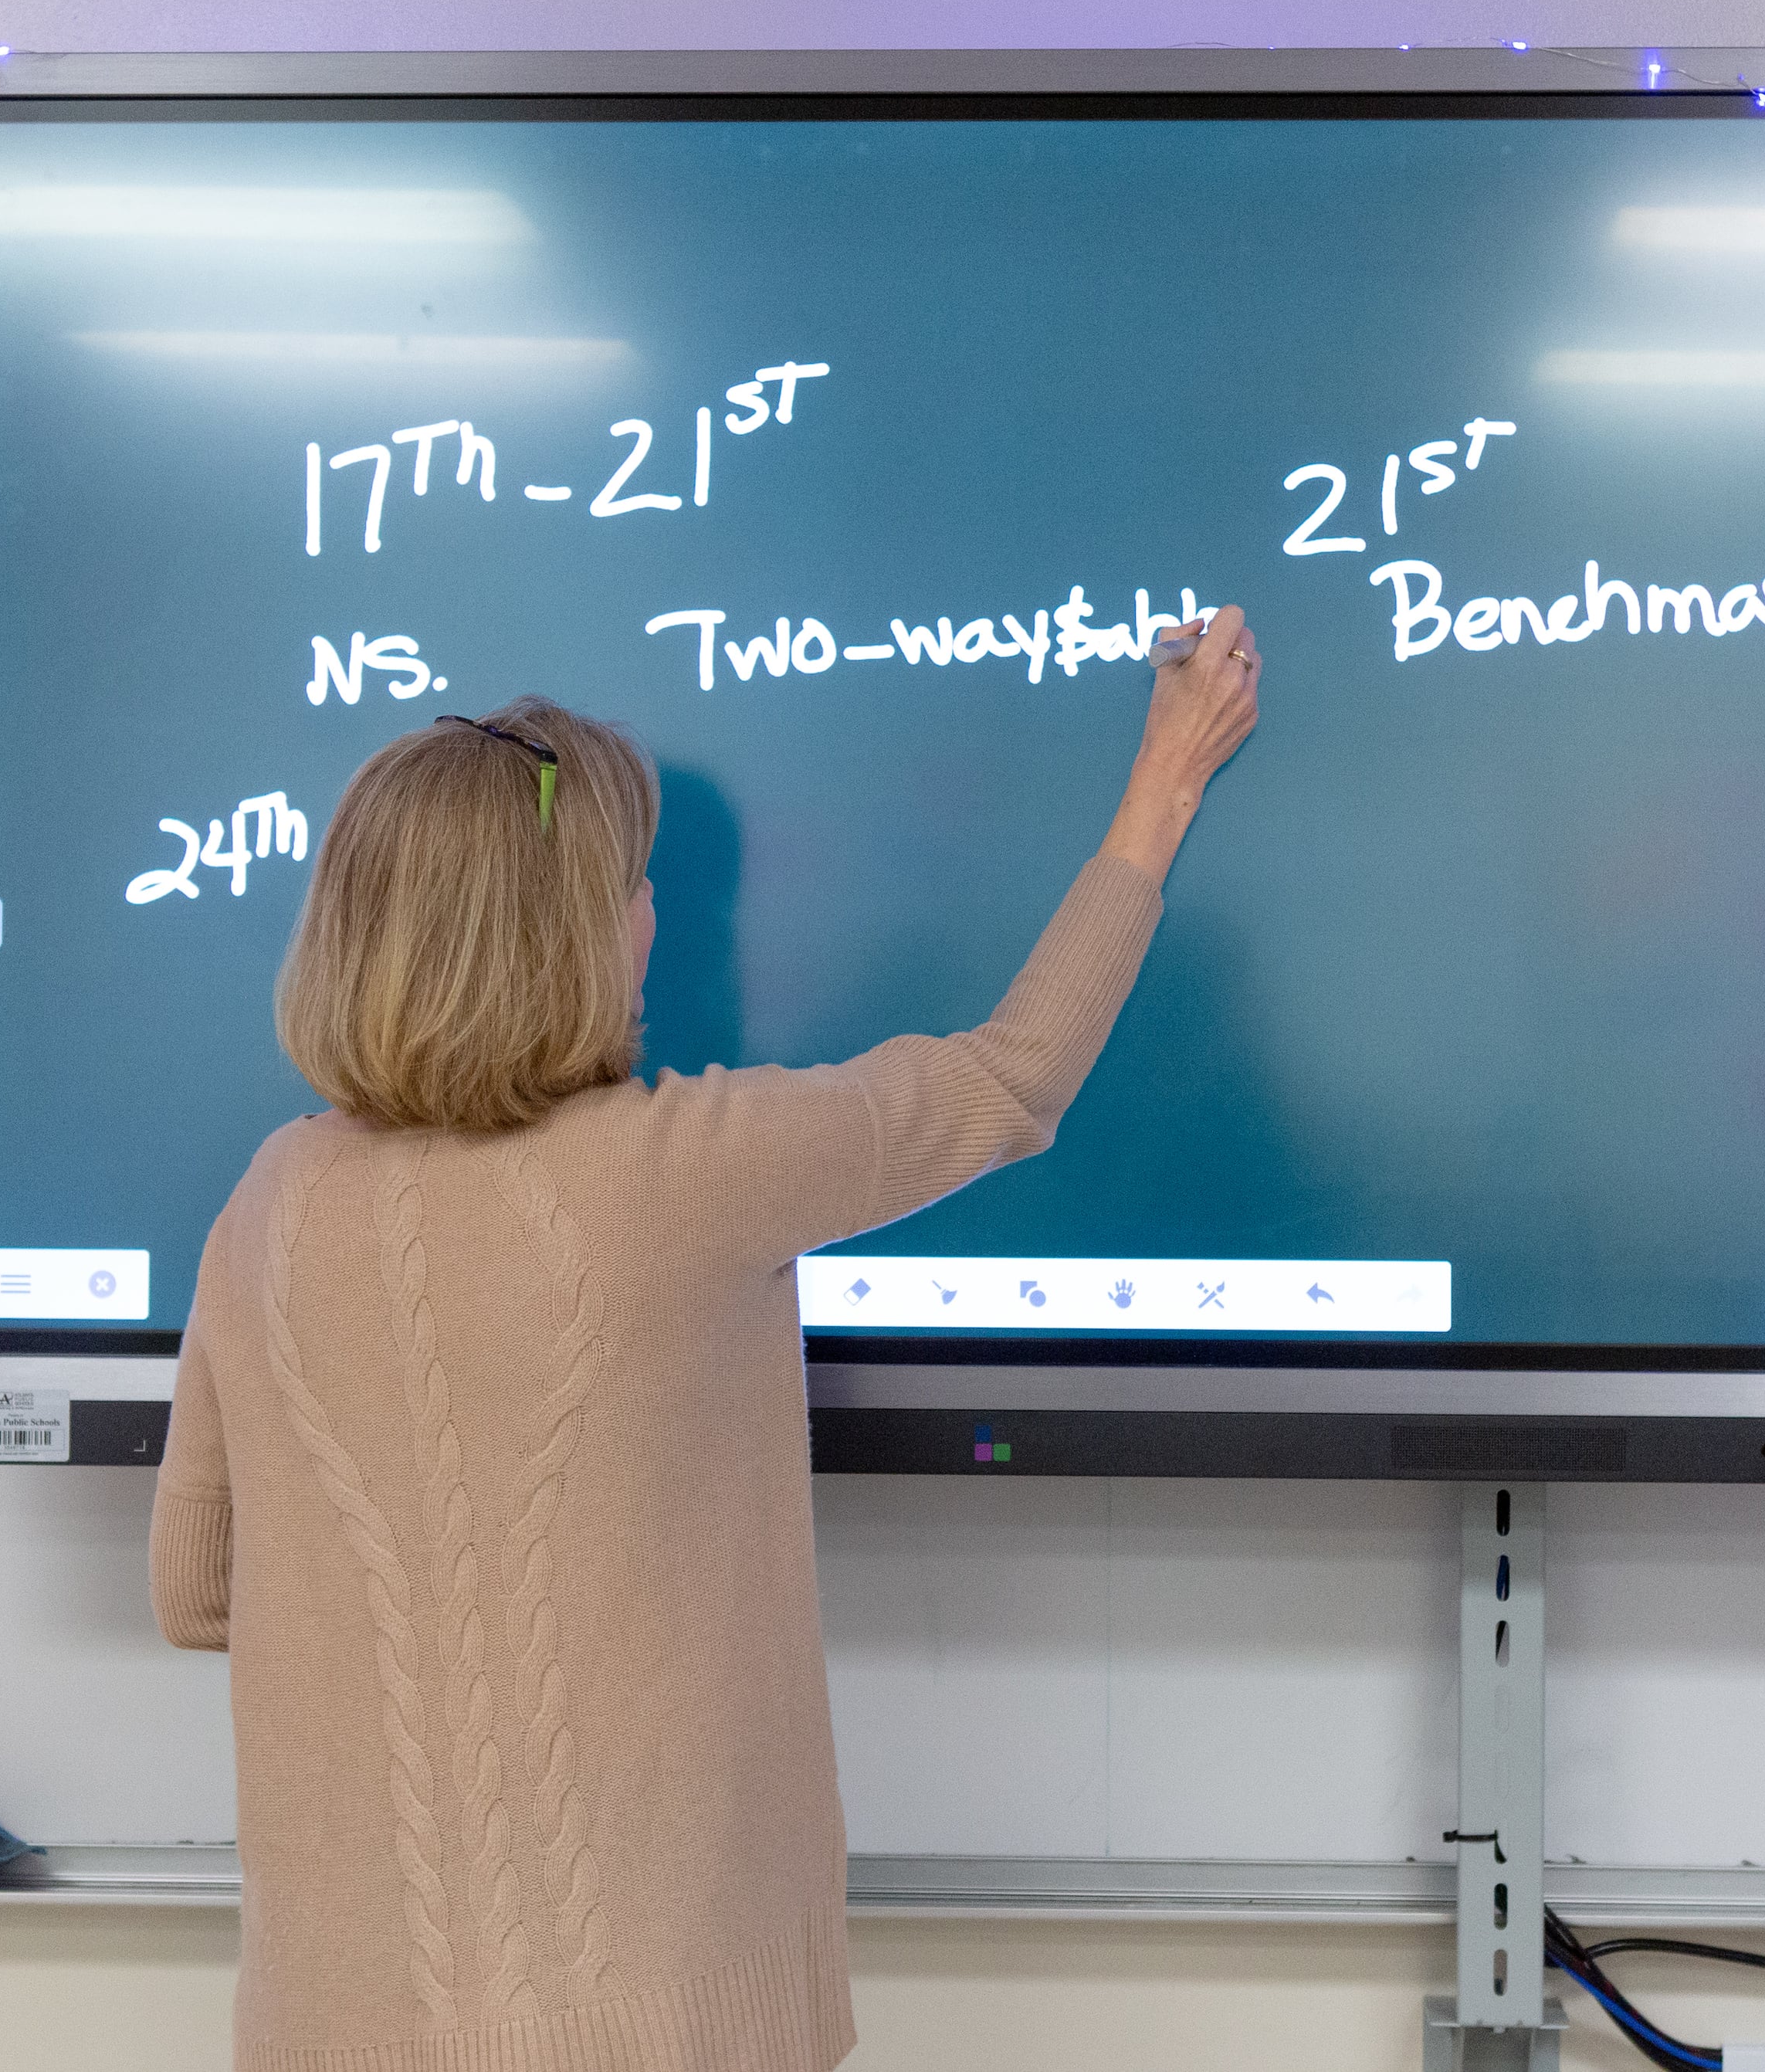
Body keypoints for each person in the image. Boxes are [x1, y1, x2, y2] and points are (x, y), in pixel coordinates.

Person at [151, 608, 1262, 2072]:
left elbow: (195, 1589)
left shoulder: (270, 1201)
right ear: (574, 931)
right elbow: (1010, 1076)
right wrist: (1167, 777)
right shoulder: (686, 1170)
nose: (656, 918)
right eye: (634, 885)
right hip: (658, 2028)